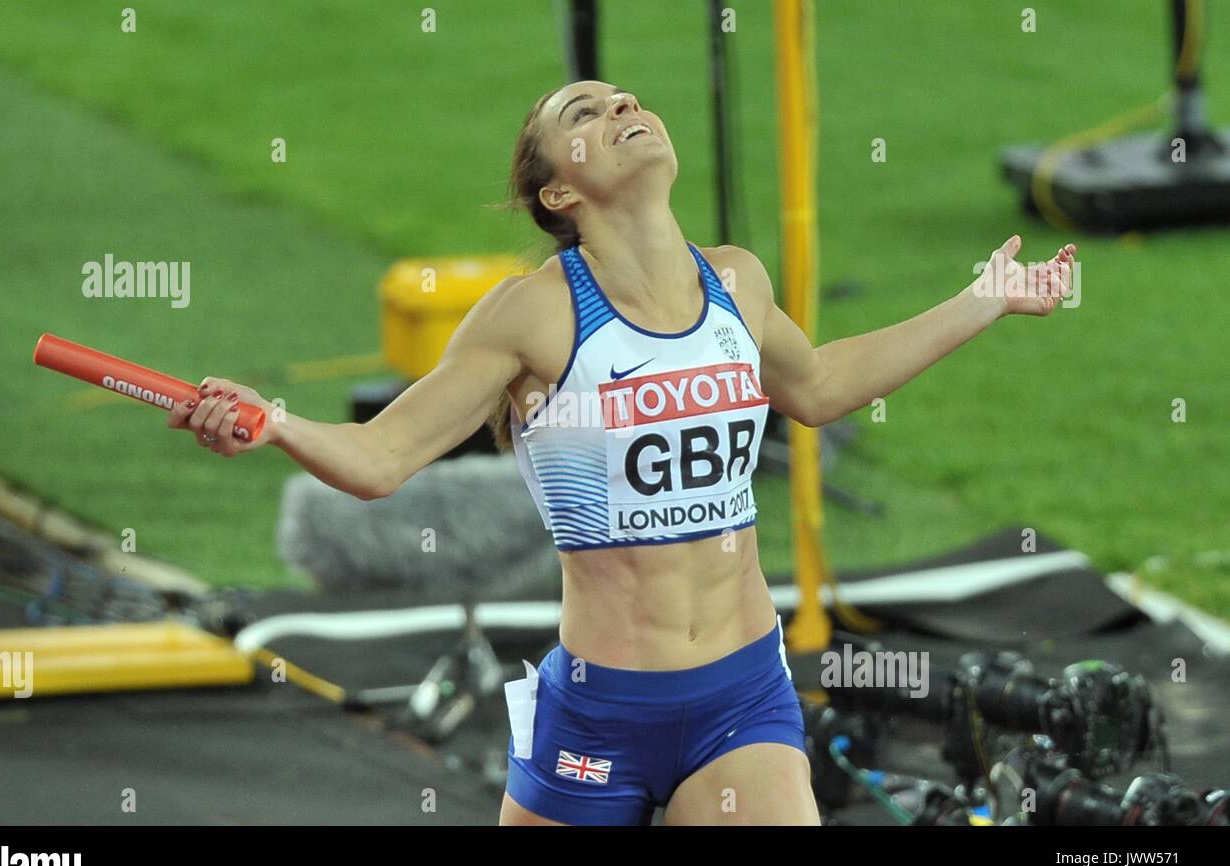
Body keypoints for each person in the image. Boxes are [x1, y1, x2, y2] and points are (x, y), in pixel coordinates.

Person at [169, 81, 1076, 826]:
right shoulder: (530, 315)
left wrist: (983, 300)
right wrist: (276, 423)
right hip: (599, 717)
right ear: (560, 192)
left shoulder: (737, 283)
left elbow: (823, 384)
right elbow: (381, 458)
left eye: (624, 99)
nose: (621, 105)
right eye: (586, 114)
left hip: (743, 698)